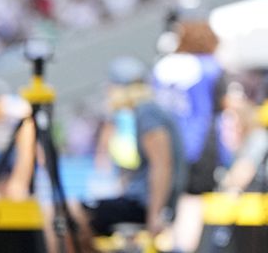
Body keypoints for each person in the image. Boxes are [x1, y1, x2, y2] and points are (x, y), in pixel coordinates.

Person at [72, 57, 185, 252]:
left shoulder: (147, 111)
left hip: (143, 204)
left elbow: (162, 165)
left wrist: (155, 215)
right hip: (140, 200)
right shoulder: (139, 113)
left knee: (72, 214)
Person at [152, 15, 226, 253]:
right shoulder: (210, 67)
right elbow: (219, 107)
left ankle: (169, 243)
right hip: (199, 143)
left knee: (167, 196)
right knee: (192, 200)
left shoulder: (163, 66)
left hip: (164, 142)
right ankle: (181, 248)